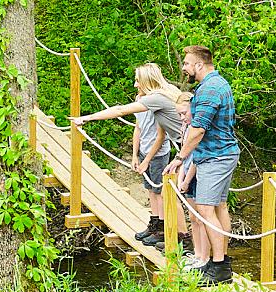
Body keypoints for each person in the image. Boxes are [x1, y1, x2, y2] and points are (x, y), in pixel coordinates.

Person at [70, 62, 188, 245]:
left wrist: (87, 118)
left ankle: (180, 238)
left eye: (137, 81)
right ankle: (174, 235)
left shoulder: (157, 97)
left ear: (147, 81)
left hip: (189, 148)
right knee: (168, 193)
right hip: (185, 146)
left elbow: (121, 110)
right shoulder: (169, 90)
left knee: (169, 194)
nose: (135, 85)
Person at [164, 45, 240, 284]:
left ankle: (219, 267)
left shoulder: (209, 89)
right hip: (220, 154)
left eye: (186, 63)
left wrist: (179, 159)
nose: (184, 67)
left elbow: (198, 130)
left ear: (199, 65)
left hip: (215, 157)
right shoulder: (217, 84)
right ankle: (217, 260)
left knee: (206, 209)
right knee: (218, 208)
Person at [173, 92, 210, 269]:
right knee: (193, 218)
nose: (182, 117)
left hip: (196, 175)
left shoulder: (197, 129)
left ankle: (205, 257)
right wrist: (180, 177)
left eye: (184, 113)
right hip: (186, 173)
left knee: (201, 218)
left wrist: (186, 180)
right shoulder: (185, 127)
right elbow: (183, 154)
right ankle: (197, 253)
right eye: (179, 114)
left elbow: (195, 157)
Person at [131, 89, 170, 244]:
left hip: (158, 154)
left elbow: (161, 137)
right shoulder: (139, 99)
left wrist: (147, 159)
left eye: (137, 81)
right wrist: (135, 154)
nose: (135, 84)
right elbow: (138, 128)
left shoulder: (158, 102)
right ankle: (154, 224)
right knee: (150, 189)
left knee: (159, 191)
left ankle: (162, 228)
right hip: (144, 149)